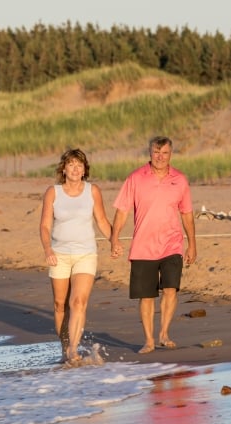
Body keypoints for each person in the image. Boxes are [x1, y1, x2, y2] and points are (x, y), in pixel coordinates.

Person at [110, 136, 196, 354]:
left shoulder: (180, 180)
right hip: (143, 246)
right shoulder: (136, 178)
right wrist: (114, 237)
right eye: (156, 152)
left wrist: (192, 244)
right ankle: (149, 340)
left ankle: (164, 333)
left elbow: (186, 214)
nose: (160, 157)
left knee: (170, 289)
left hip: (172, 244)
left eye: (164, 153)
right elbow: (122, 211)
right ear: (150, 153)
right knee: (147, 296)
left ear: (170, 154)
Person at [40, 148, 113, 365]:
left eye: (79, 165)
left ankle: (73, 348)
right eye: (71, 164)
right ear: (64, 168)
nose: (75, 168)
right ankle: (65, 346)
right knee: (60, 304)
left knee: (78, 301)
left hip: (85, 253)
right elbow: (45, 225)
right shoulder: (53, 192)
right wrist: (47, 249)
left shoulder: (93, 191)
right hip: (59, 254)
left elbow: (101, 220)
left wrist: (114, 241)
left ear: (84, 170)